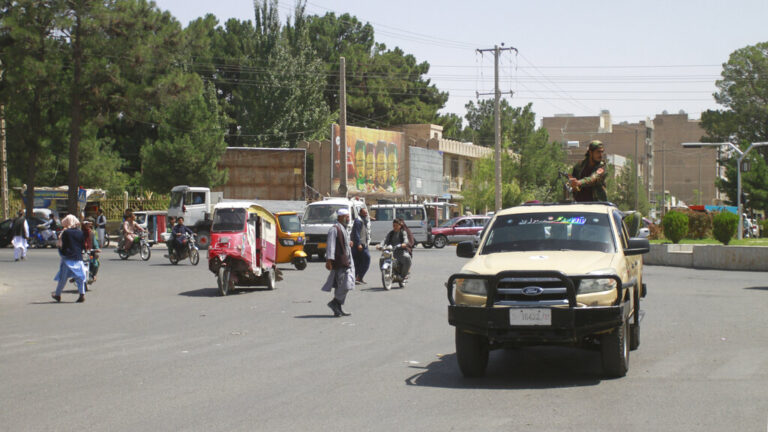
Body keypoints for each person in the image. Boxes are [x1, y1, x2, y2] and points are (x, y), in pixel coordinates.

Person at [321, 208, 354, 317]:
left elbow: (344, 243)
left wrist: (349, 243)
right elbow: (331, 246)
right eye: (347, 217)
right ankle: (335, 303)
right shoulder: (334, 229)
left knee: (342, 284)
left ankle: (337, 308)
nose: (349, 219)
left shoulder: (344, 228)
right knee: (345, 284)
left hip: (346, 261)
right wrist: (329, 260)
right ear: (341, 217)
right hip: (339, 262)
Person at [51, 215, 87, 303]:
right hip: (78, 257)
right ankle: (82, 294)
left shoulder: (66, 232)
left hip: (67, 258)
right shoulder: (80, 232)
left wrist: (62, 252)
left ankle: (58, 294)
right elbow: (83, 245)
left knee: (63, 277)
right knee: (79, 277)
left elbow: (63, 245)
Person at [351, 208, 371, 284]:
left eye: (366, 213)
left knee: (360, 261)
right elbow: (356, 233)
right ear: (360, 213)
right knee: (366, 259)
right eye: (365, 213)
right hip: (359, 245)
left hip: (364, 244)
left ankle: (358, 278)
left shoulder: (363, 219)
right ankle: (358, 277)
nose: (366, 214)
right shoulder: (358, 221)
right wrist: (359, 244)